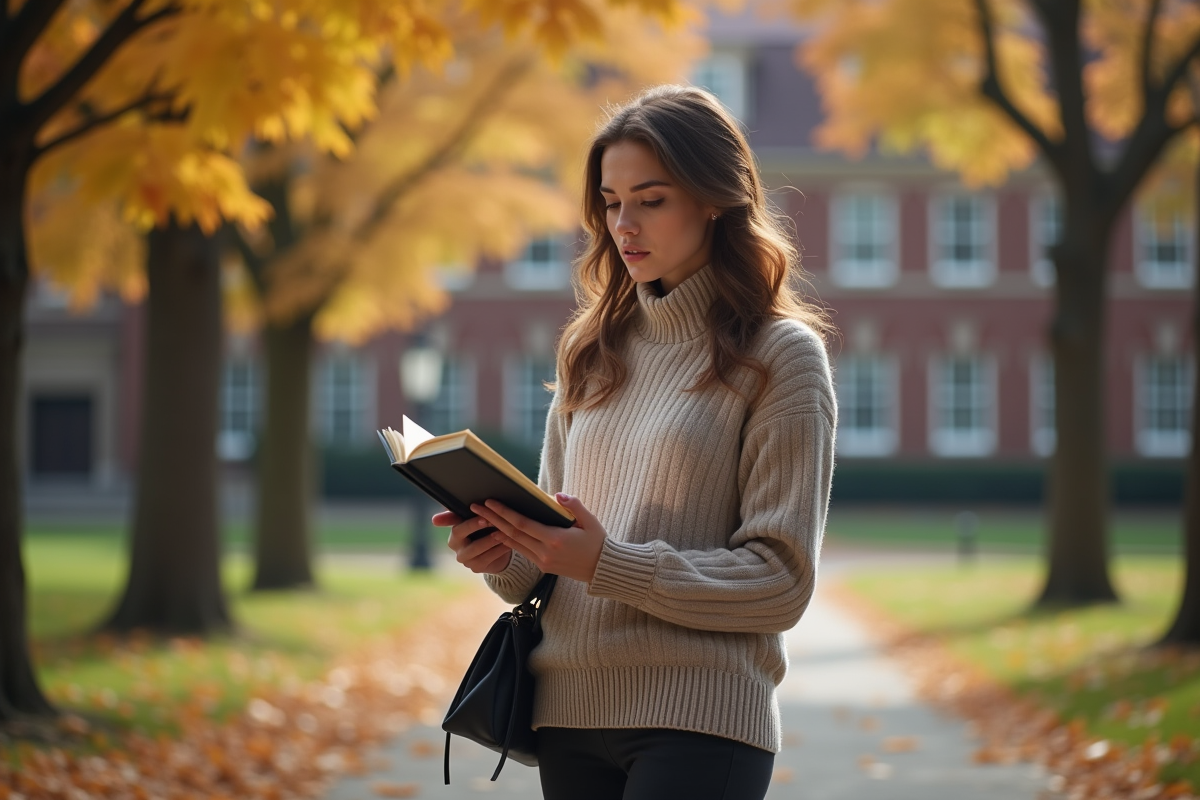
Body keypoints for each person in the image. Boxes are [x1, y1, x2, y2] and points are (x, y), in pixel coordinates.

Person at [434, 84, 836, 800]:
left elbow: (780, 582)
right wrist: (501, 551)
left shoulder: (781, 356)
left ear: (715, 199)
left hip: (701, 718)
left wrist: (609, 562)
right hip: (567, 715)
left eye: (652, 200)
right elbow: (551, 564)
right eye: (612, 203)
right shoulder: (589, 350)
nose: (626, 225)